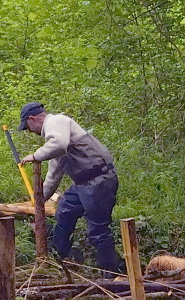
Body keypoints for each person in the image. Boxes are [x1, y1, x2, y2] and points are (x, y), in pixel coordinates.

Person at [18, 102, 122, 274]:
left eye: (27, 127)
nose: (30, 131)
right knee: (65, 212)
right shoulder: (56, 139)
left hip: (99, 180)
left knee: (97, 230)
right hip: (83, 184)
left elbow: (58, 144)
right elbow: (53, 175)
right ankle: (58, 259)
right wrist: (39, 201)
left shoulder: (56, 122)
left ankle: (111, 274)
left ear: (32, 118)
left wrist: (35, 156)